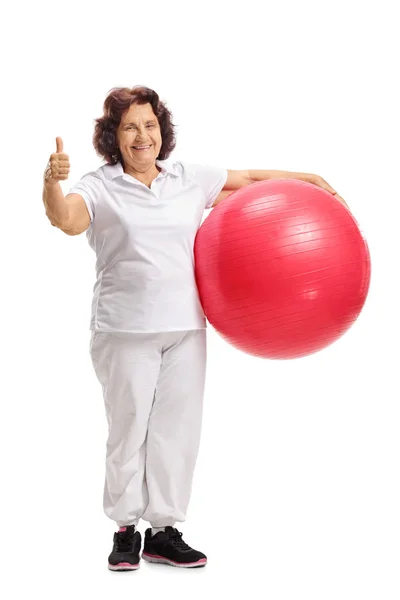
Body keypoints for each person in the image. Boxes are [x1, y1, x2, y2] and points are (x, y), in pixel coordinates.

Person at [42, 86, 346, 571]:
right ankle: (125, 530)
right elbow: (67, 221)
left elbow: (250, 179)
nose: (142, 136)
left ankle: (164, 530)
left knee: (176, 432)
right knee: (129, 430)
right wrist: (50, 185)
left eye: (150, 125)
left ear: (162, 130)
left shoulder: (187, 178)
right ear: (113, 137)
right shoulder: (98, 185)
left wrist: (310, 182)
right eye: (129, 127)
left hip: (185, 327)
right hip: (124, 330)